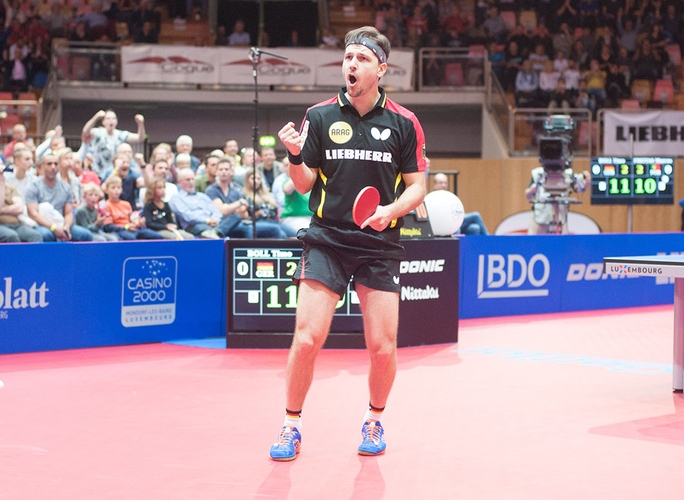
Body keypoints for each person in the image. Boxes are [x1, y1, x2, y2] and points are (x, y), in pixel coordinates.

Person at [270, 26, 427, 461]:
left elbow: (418, 188)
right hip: (328, 239)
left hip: (379, 242)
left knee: (382, 348)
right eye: (348, 58)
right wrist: (294, 155)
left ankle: (374, 418)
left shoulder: (403, 122)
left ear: (381, 68)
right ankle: (291, 425)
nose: (351, 65)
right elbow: (302, 185)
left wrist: (391, 211)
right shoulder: (319, 116)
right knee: (306, 339)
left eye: (361, 58)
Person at [25, 154, 94, 242]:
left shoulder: (66, 187)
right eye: (49, 164)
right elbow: (33, 214)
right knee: (46, 235)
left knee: (86, 235)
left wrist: (66, 227)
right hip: (41, 224)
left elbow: (68, 213)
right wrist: (54, 228)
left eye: (56, 164)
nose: (53, 167)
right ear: (42, 167)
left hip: (61, 223)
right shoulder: (33, 186)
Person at [170, 167, 250, 239]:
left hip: (214, 223)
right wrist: (207, 220)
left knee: (236, 217)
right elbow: (187, 216)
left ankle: (216, 232)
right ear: (179, 182)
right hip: (195, 225)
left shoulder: (202, 196)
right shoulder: (176, 198)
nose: (191, 182)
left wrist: (216, 219)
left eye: (193, 179)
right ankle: (217, 232)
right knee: (204, 229)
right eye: (188, 180)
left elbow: (215, 211)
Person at [82, 109, 146, 180]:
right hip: (98, 172)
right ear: (103, 122)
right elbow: (85, 132)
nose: (111, 120)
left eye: (113, 118)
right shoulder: (98, 133)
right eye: (108, 118)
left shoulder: (120, 135)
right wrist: (96, 117)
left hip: (115, 173)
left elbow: (140, 138)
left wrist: (141, 124)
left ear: (116, 121)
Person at [525, 165, 590, 234]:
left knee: (563, 243)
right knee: (534, 243)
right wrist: (532, 190)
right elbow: (528, 196)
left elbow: (578, 188)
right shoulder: (538, 173)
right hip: (540, 219)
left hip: (561, 219)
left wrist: (585, 184)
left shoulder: (568, 174)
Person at [101, 174, 161, 240]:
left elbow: (133, 219)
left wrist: (138, 223)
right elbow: (108, 227)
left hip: (131, 229)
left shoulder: (126, 204)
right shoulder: (106, 205)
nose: (116, 190)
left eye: (118, 187)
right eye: (113, 188)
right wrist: (126, 227)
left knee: (156, 236)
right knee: (131, 238)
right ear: (106, 190)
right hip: (119, 231)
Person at [242, 167, 291, 238]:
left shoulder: (267, 195)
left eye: (258, 179)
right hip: (257, 222)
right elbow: (248, 214)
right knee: (281, 233)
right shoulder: (244, 195)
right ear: (247, 180)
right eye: (253, 178)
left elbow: (275, 209)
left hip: (273, 221)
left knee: (295, 233)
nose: (256, 181)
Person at [0, 163, 42, 242]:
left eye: (1, 164)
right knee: (11, 236)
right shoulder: (2, 184)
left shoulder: (10, 186)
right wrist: (1, 184)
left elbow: (19, 208)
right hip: (1, 225)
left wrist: (3, 210)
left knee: (36, 236)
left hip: (15, 224)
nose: (1, 168)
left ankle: (34, 255)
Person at [271, 157, 313, 234]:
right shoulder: (285, 181)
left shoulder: (311, 178)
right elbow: (287, 190)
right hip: (293, 217)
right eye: (287, 165)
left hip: (311, 217)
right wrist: (298, 172)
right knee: (308, 232)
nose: (289, 167)